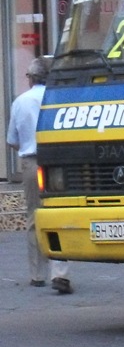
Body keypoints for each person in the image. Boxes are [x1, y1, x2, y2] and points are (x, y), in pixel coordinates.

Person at [7, 57, 72, 294]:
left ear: (31, 78)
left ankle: (37, 275)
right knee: (59, 214)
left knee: (34, 217)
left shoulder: (20, 102)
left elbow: (12, 140)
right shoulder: (58, 99)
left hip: (32, 162)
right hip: (57, 162)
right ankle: (60, 272)